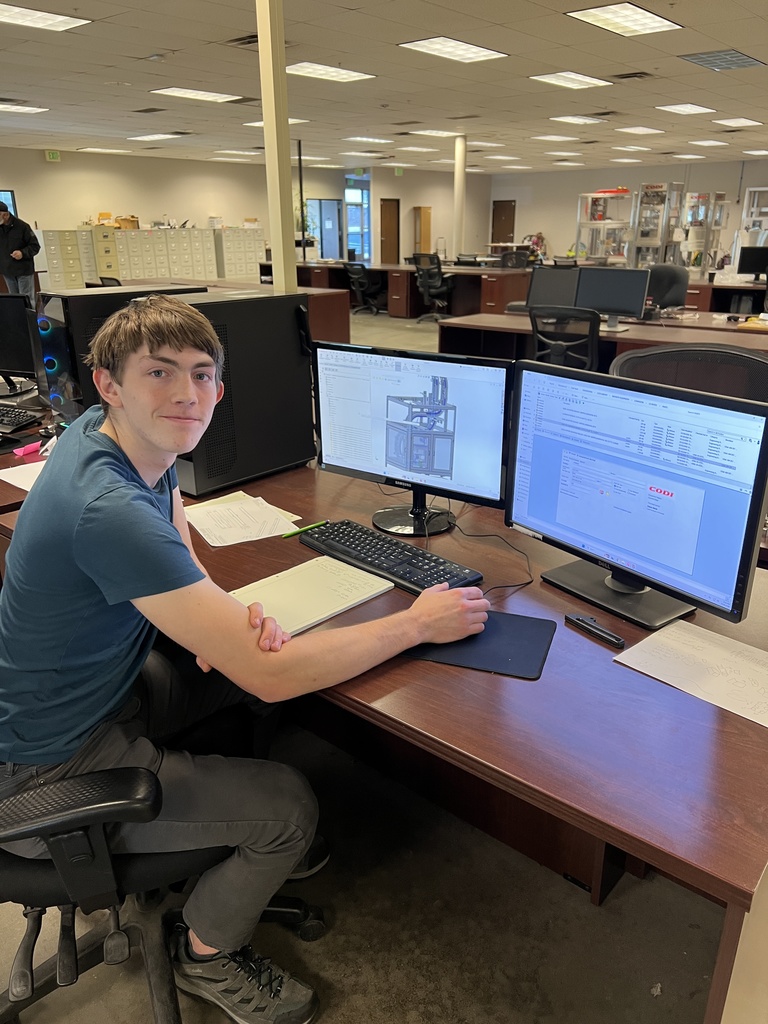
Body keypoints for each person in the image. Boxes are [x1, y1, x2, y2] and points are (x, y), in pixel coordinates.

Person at [0, 294, 490, 1024]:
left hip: (89, 701)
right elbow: (266, 667)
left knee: (250, 679)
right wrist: (417, 624)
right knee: (291, 801)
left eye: (201, 376)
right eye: (159, 373)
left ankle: (225, 834)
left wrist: (211, 617)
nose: (184, 394)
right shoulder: (105, 507)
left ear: (220, 390)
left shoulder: (119, 440)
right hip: (45, 772)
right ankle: (205, 952)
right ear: (109, 383)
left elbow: (175, 528)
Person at [0, 201, 40, 307]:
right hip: (7, 271)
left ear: (5, 215)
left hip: (23, 270)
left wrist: (22, 253)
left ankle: (29, 322)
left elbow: (35, 246)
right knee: (14, 301)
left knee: (26, 299)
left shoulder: (22, 227)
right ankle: (18, 322)